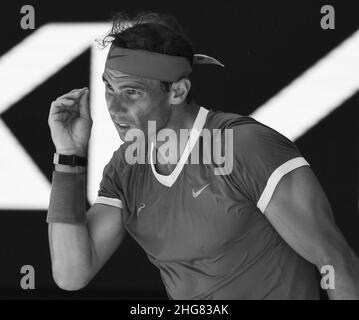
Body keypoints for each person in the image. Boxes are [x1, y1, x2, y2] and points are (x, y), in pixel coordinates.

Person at [47, 11, 359, 299]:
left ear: (177, 92)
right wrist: (69, 156)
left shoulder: (245, 147)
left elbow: (335, 262)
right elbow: (72, 273)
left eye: (132, 92)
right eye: (109, 90)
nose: (114, 109)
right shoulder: (126, 166)